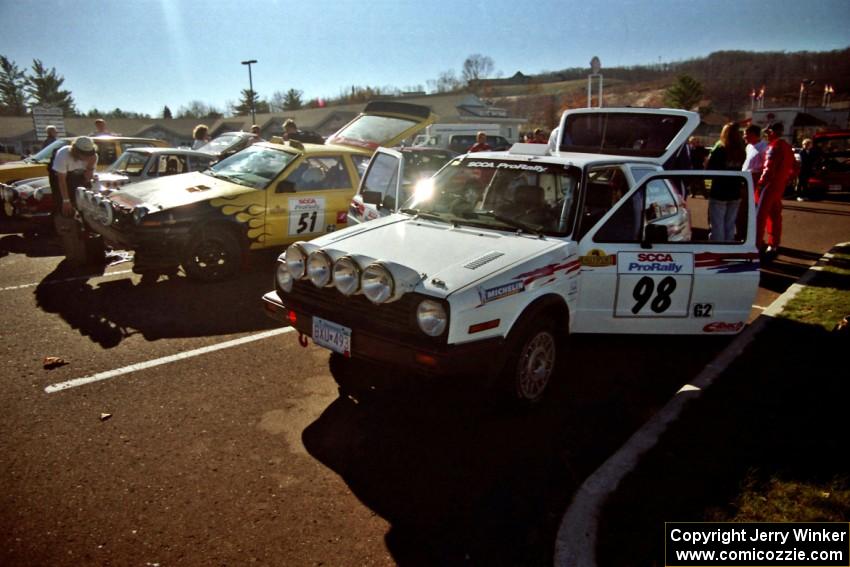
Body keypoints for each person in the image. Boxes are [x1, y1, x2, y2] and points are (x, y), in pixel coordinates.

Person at [755, 122, 796, 260]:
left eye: (767, 133)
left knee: (760, 217)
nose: (766, 135)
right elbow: (795, 167)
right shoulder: (787, 146)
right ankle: (773, 244)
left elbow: (768, 168)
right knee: (775, 216)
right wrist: (786, 179)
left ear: (772, 132)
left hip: (769, 185)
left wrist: (760, 184)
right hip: (779, 185)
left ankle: (756, 246)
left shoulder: (774, 146)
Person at [705, 123, 746, 241]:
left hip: (719, 191)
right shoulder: (741, 149)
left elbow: (709, 169)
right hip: (735, 191)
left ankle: (718, 252)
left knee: (717, 225)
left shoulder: (720, 148)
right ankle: (729, 249)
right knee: (730, 225)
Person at [50, 136, 97, 220]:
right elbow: (61, 180)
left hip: (78, 175)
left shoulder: (93, 157)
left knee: (84, 200)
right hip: (62, 176)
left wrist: (90, 167)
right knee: (63, 203)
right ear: (75, 151)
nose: (86, 157)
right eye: (84, 154)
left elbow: (87, 179)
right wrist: (66, 201)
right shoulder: (63, 154)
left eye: (88, 154)